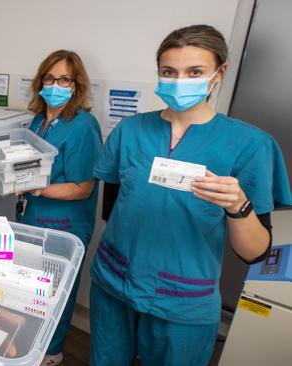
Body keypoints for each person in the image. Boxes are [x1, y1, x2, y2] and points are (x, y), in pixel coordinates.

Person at [90, 24, 292, 366]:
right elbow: (112, 209)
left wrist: (238, 207)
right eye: (170, 72)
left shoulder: (251, 145)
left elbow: (255, 252)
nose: (180, 81)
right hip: (113, 282)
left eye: (194, 72)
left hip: (183, 301)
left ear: (219, 73)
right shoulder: (130, 130)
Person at [18, 50, 102, 366]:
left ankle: (51, 352)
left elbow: (84, 188)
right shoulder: (39, 120)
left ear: (75, 85)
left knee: (56, 293)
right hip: (34, 216)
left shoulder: (83, 125)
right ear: (41, 82)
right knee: (32, 290)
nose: (56, 84)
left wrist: (37, 187)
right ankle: (30, 342)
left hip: (65, 224)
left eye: (64, 79)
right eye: (50, 78)